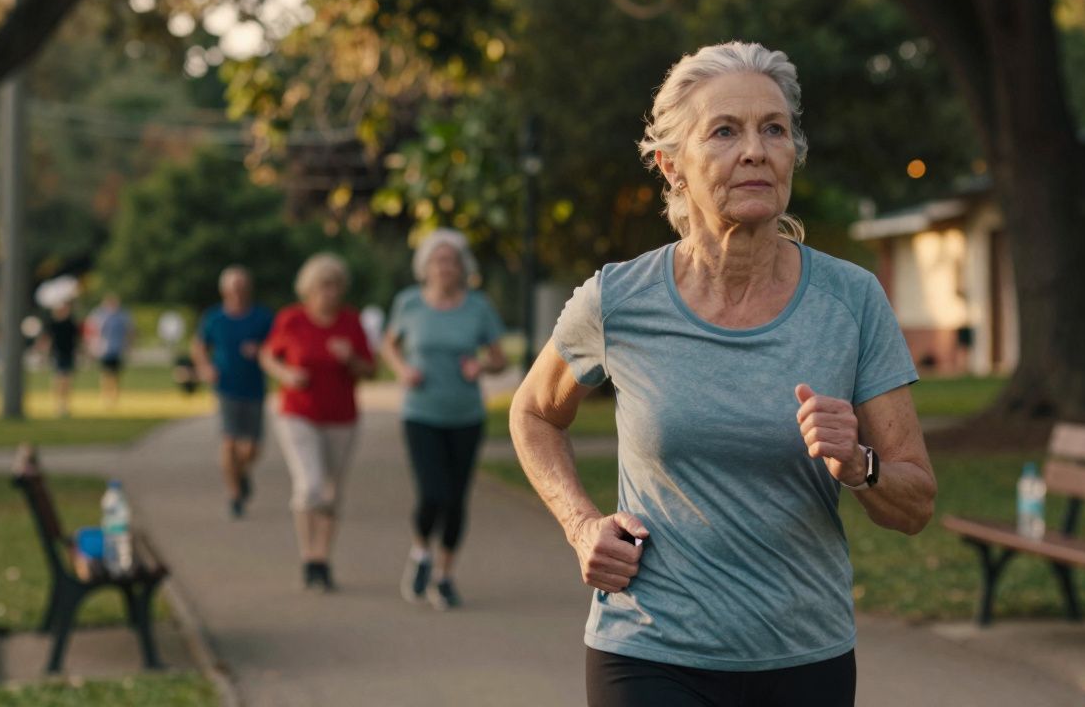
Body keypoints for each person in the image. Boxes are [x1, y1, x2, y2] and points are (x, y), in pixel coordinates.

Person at [509, 42, 936, 707]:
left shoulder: (851, 302)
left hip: (803, 654)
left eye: (774, 129)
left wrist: (860, 463)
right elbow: (534, 413)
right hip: (648, 649)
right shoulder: (619, 298)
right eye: (725, 131)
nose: (756, 151)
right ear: (671, 166)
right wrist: (580, 525)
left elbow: (915, 502)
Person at [380, 229, 507, 610]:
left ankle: (445, 575)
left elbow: (499, 358)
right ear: (426, 266)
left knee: (456, 499)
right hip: (421, 412)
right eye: (438, 260)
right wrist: (402, 370)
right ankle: (421, 552)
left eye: (451, 261)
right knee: (433, 493)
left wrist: (480, 365)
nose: (444, 267)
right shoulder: (408, 304)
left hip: (466, 414)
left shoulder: (478, 307)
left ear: (462, 267)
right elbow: (389, 344)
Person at [260, 253, 374, 591]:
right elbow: (268, 355)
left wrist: (350, 358)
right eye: (323, 285)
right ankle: (307, 553)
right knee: (309, 485)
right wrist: (286, 374)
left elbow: (369, 369)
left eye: (336, 286)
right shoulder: (291, 320)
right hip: (298, 414)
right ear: (309, 289)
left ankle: (322, 558)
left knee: (332, 490)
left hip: (341, 418)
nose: (330, 292)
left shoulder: (351, 323)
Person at [192, 266, 274, 518]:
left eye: (241, 287)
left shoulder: (262, 317)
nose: (237, 292)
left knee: (251, 448)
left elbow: (278, 348)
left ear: (248, 289)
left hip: (254, 387)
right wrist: (205, 368)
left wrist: (260, 349)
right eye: (232, 287)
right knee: (229, 441)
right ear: (224, 290)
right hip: (225, 387)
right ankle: (235, 495)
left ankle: (241, 473)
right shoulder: (214, 318)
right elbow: (199, 346)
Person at [86, 293, 133, 408]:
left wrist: (129, 345)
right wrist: (92, 346)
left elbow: (129, 331)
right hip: (104, 349)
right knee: (105, 374)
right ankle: (106, 396)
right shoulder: (100, 315)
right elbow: (92, 330)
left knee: (116, 374)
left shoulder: (122, 315)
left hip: (117, 348)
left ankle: (115, 396)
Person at [39, 301, 79, 417]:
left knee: (67, 381)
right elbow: (47, 339)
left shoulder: (71, 323)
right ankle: (58, 405)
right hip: (57, 354)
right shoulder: (53, 323)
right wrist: (44, 354)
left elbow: (76, 340)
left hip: (68, 354)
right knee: (59, 380)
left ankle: (65, 405)